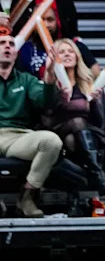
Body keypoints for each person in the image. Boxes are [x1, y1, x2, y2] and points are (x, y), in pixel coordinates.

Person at [42, 38, 105, 195]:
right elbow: (47, 116)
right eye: (62, 52)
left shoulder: (88, 83)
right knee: (77, 122)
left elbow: (100, 123)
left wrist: (95, 101)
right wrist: (61, 98)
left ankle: (77, 194)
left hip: (84, 135)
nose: (67, 54)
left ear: (77, 56)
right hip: (57, 131)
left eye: (71, 51)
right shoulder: (50, 83)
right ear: (55, 58)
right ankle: (97, 174)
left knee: (74, 139)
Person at [0, 30, 63, 217]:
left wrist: (49, 75)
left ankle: (27, 196)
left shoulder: (26, 79)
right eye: (2, 43)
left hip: (17, 137)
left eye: (11, 44)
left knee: (51, 141)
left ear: (16, 54)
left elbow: (46, 103)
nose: (7, 46)